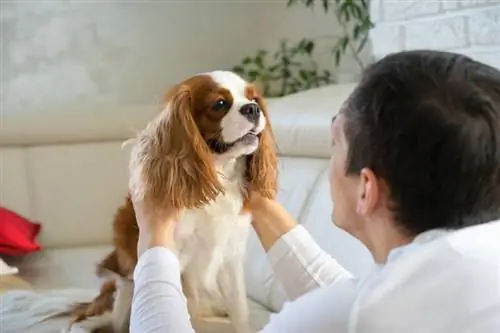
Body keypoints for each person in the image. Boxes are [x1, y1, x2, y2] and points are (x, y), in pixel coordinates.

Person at [128, 50, 500, 333]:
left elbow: (352, 310)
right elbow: (353, 295)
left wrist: (155, 233)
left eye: (334, 143)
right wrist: (258, 201)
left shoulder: (339, 319)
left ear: (366, 188)